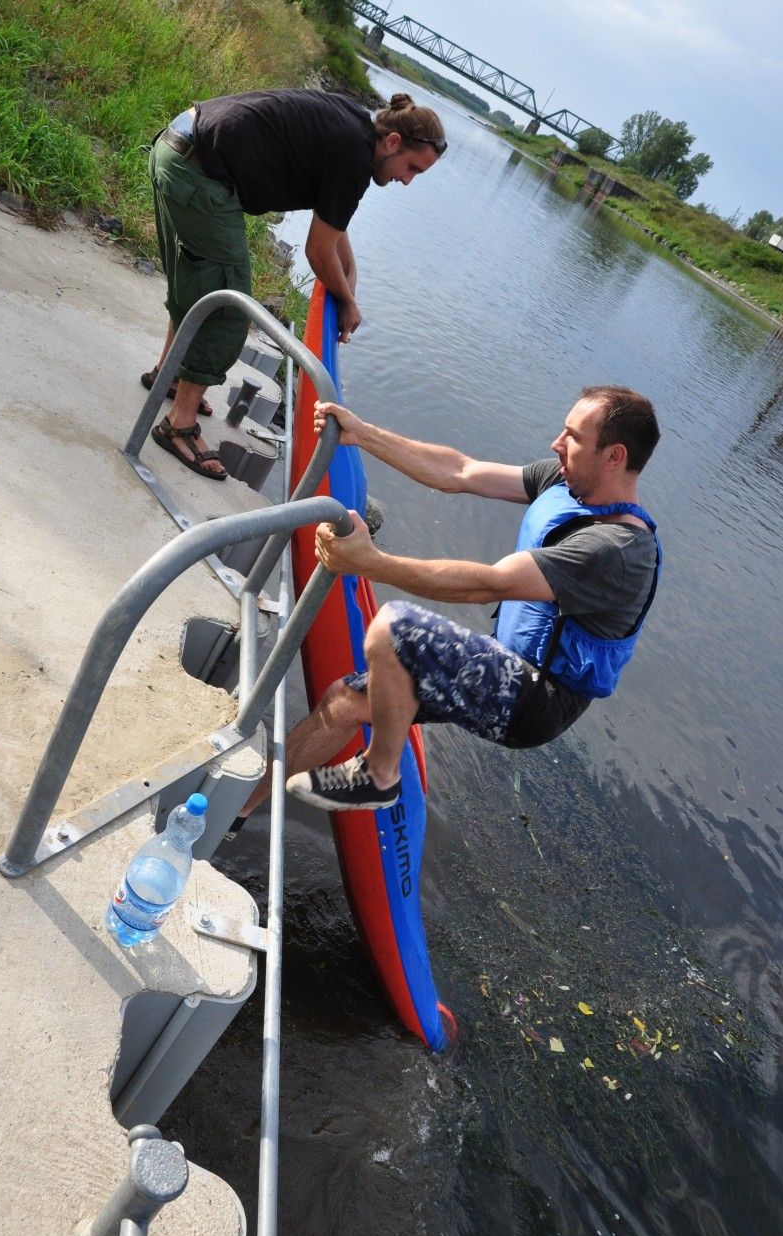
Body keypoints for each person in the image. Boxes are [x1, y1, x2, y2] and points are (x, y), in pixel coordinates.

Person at [229, 384, 660, 830]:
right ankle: (236, 813)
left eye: (572, 436)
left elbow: (488, 585)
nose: (557, 443)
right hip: (507, 661)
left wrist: (370, 563)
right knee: (345, 700)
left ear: (614, 457)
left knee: (396, 629)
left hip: (535, 700)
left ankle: (379, 775)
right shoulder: (568, 483)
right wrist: (363, 433)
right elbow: (461, 471)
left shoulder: (616, 552)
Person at [144, 88, 446, 480]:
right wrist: (347, 303)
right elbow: (318, 252)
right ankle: (179, 425)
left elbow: (334, 225)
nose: (407, 181)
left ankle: (166, 376)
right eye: (412, 169)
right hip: (201, 174)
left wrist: (349, 280)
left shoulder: (354, 126)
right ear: (392, 142)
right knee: (226, 308)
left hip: (175, 146)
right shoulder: (353, 159)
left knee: (195, 284)